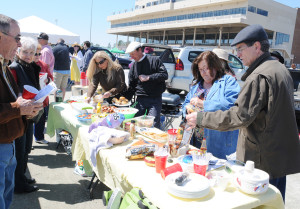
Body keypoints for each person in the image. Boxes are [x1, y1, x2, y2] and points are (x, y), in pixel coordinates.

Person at [186, 24, 300, 201]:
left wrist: (200, 117)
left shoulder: (260, 76)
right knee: (275, 201)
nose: (237, 54)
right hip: (277, 156)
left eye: (240, 49)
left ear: (256, 46)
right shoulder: (279, 69)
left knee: (260, 203)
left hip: (263, 160)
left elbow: (238, 116)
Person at [0, 14, 42, 209]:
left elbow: (14, 96)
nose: (18, 45)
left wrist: (26, 107)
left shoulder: (4, 65)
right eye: (17, 38)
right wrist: (19, 107)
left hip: (8, 144)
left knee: (7, 195)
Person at [182, 51, 240, 159]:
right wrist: (187, 110)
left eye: (206, 68)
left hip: (218, 142)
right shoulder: (197, 84)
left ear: (215, 66)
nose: (203, 73)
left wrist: (203, 103)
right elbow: (186, 102)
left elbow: (230, 104)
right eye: (200, 69)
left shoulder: (228, 81)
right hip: (196, 141)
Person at [10, 37, 43, 194]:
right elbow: (14, 92)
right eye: (25, 52)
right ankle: (19, 183)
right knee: (20, 149)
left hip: (29, 113)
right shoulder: (14, 67)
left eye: (32, 52)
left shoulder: (31, 66)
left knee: (26, 148)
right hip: (20, 114)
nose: (29, 55)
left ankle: (22, 177)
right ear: (18, 51)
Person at [124, 42, 168, 129]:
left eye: (133, 54)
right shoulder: (134, 66)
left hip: (155, 99)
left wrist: (149, 77)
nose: (132, 57)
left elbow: (164, 75)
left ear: (140, 50)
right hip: (140, 99)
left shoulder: (155, 60)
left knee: (153, 124)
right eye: (130, 55)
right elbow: (132, 86)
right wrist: (124, 100)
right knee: (135, 123)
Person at [33, 44, 53, 144]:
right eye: (35, 53)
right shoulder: (26, 64)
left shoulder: (44, 65)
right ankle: (26, 143)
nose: (37, 56)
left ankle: (39, 137)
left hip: (43, 97)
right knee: (28, 121)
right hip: (29, 97)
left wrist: (47, 79)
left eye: (39, 54)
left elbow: (51, 78)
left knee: (41, 118)